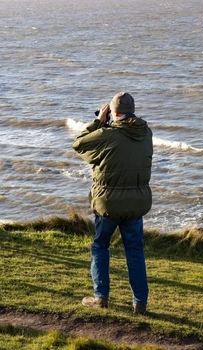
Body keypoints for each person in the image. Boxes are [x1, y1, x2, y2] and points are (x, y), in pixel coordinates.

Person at [72, 92, 153, 314]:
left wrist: (99, 121)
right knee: (135, 252)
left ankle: (101, 297)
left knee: (100, 247)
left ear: (113, 112)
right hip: (136, 203)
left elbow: (79, 144)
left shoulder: (106, 134)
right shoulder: (146, 133)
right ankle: (140, 303)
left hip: (107, 205)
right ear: (133, 111)